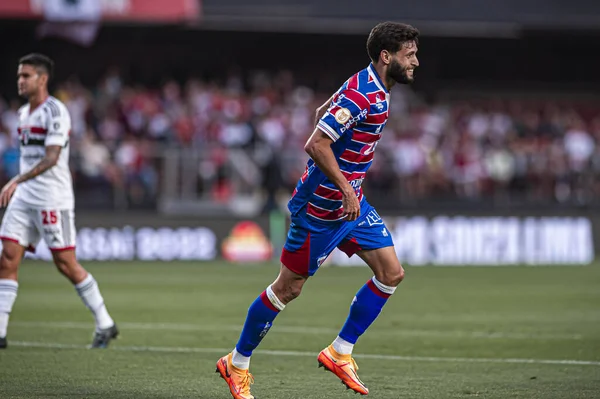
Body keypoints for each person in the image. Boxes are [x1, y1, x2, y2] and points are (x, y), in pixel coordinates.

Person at [216, 22, 420, 398]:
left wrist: (350, 190)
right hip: (322, 208)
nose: (416, 62)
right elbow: (316, 142)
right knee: (288, 288)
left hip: (349, 204)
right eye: (409, 55)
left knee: (391, 273)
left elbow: (322, 111)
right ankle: (237, 363)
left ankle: (340, 352)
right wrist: (344, 187)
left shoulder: (373, 86)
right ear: (386, 57)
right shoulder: (364, 95)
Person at [0, 53, 118, 349]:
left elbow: (52, 157)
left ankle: (105, 322)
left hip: (53, 199)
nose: (20, 81)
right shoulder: (24, 114)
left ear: (42, 78)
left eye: (26, 76)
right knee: (8, 258)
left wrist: (16, 180)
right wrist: (21, 184)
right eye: (18, 76)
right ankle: (0, 333)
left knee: (65, 263)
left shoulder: (57, 112)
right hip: (25, 198)